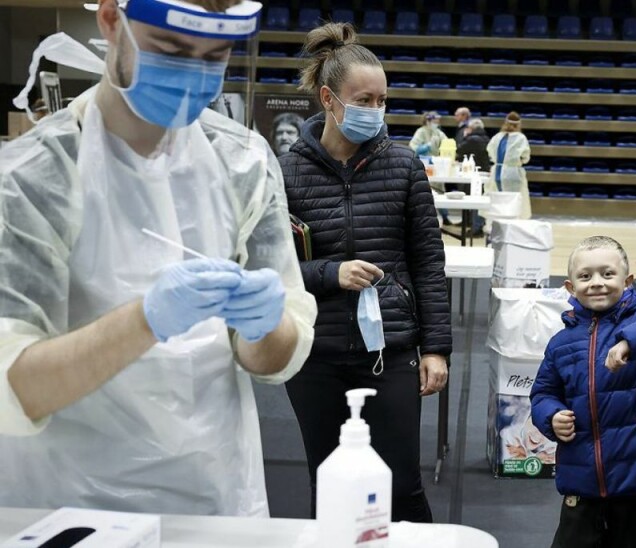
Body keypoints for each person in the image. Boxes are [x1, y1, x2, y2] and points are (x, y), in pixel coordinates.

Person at [0, 0, 317, 517]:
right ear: (110, 21)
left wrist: (264, 327)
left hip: (213, 493)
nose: (192, 74)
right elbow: (13, 389)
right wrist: (146, 320)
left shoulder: (243, 162)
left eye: (214, 57)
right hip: (69, 502)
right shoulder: (33, 178)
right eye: (170, 50)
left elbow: (276, 358)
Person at [281, 21, 451, 524]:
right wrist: (330, 273)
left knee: (401, 485)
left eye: (382, 100)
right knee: (327, 483)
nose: (375, 110)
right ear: (329, 99)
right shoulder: (284, 172)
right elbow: (272, 270)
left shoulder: (403, 167)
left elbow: (428, 262)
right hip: (315, 355)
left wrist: (436, 347)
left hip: (391, 352)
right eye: (365, 99)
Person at [531, 236, 636, 548]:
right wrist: (551, 417)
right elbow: (542, 393)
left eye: (607, 274)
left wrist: (630, 341)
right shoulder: (561, 343)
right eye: (585, 276)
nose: (597, 283)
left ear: (628, 281)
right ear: (569, 287)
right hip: (581, 480)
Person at [487, 111, 532, 219]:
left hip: (496, 172)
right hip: (513, 173)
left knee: (497, 201)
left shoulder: (497, 137)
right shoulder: (520, 138)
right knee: (513, 202)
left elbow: (489, 151)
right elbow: (525, 156)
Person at [456, 117, 491, 236]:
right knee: (480, 199)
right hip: (485, 172)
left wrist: (464, 136)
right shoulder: (486, 138)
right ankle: (476, 224)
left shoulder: (472, 139)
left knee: (474, 200)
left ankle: (476, 228)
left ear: (471, 128)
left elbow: (460, 149)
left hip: (474, 173)